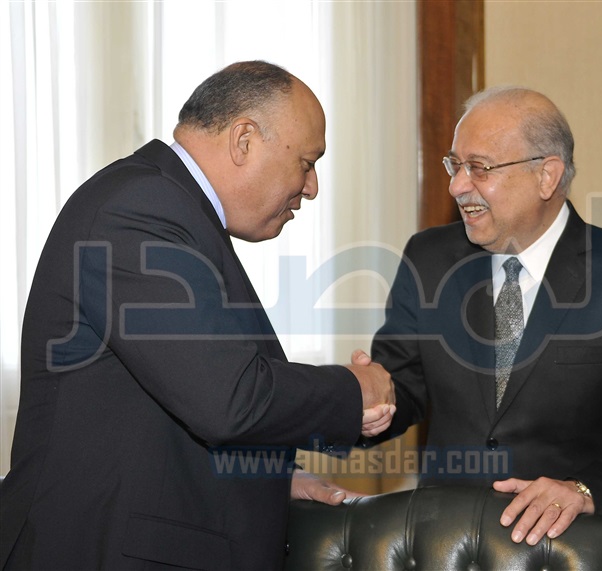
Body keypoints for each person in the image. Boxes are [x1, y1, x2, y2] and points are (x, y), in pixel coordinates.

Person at [0, 61, 395, 570]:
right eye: (306, 162)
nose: (312, 186)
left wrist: (269, 481)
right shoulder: (141, 208)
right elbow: (227, 399)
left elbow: (163, 419)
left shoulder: (169, 208)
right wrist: (354, 389)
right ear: (244, 140)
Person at [362, 86, 602, 548]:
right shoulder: (429, 259)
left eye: (479, 168)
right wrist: (365, 399)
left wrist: (584, 491)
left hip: (572, 550)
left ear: (547, 176)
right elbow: (400, 388)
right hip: (445, 544)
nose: (457, 186)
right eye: (455, 165)